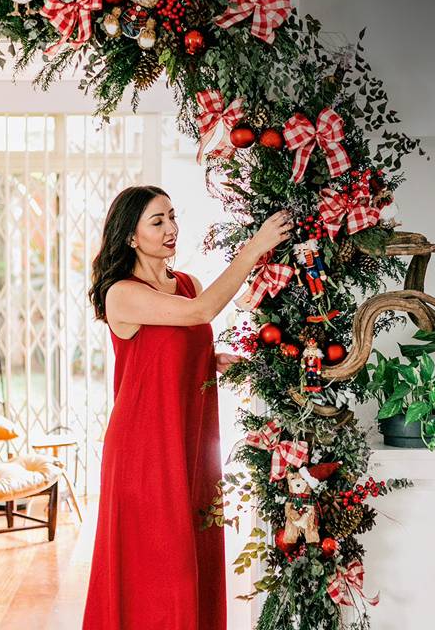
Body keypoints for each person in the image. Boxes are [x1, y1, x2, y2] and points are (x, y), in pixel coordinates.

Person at [82, 185, 293, 630]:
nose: (172, 229)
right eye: (157, 222)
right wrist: (255, 248)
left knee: (192, 555)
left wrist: (211, 361)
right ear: (131, 237)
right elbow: (200, 313)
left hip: (191, 440)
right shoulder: (121, 292)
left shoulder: (187, 284)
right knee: (161, 567)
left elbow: (171, 348)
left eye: (172, 217)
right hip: (144, 448)